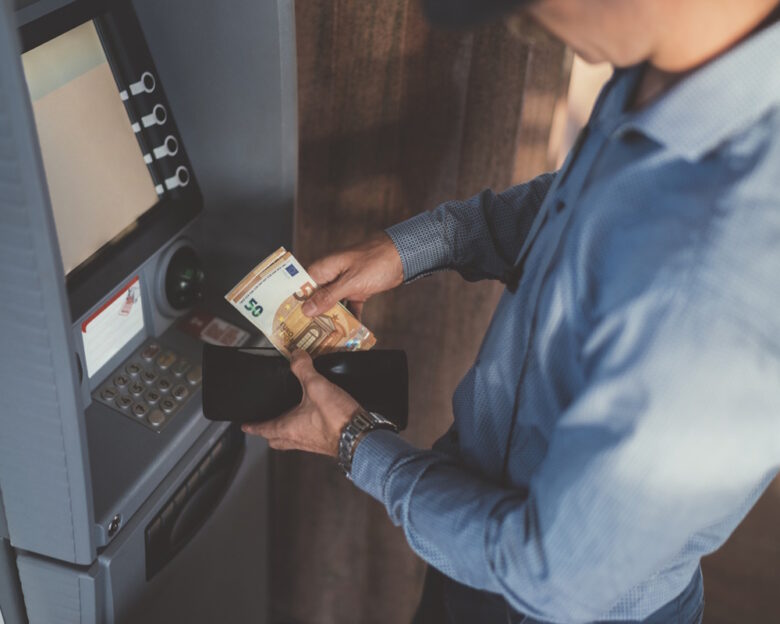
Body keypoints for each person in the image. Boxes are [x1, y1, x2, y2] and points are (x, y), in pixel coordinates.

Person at [243, 0, 780, 621]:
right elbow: (587, 209)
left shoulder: (730, 272)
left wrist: (353, 442)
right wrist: (413, 248)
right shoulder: (669, 68)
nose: (526, 26)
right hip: (467, 541)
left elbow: (549, 574)